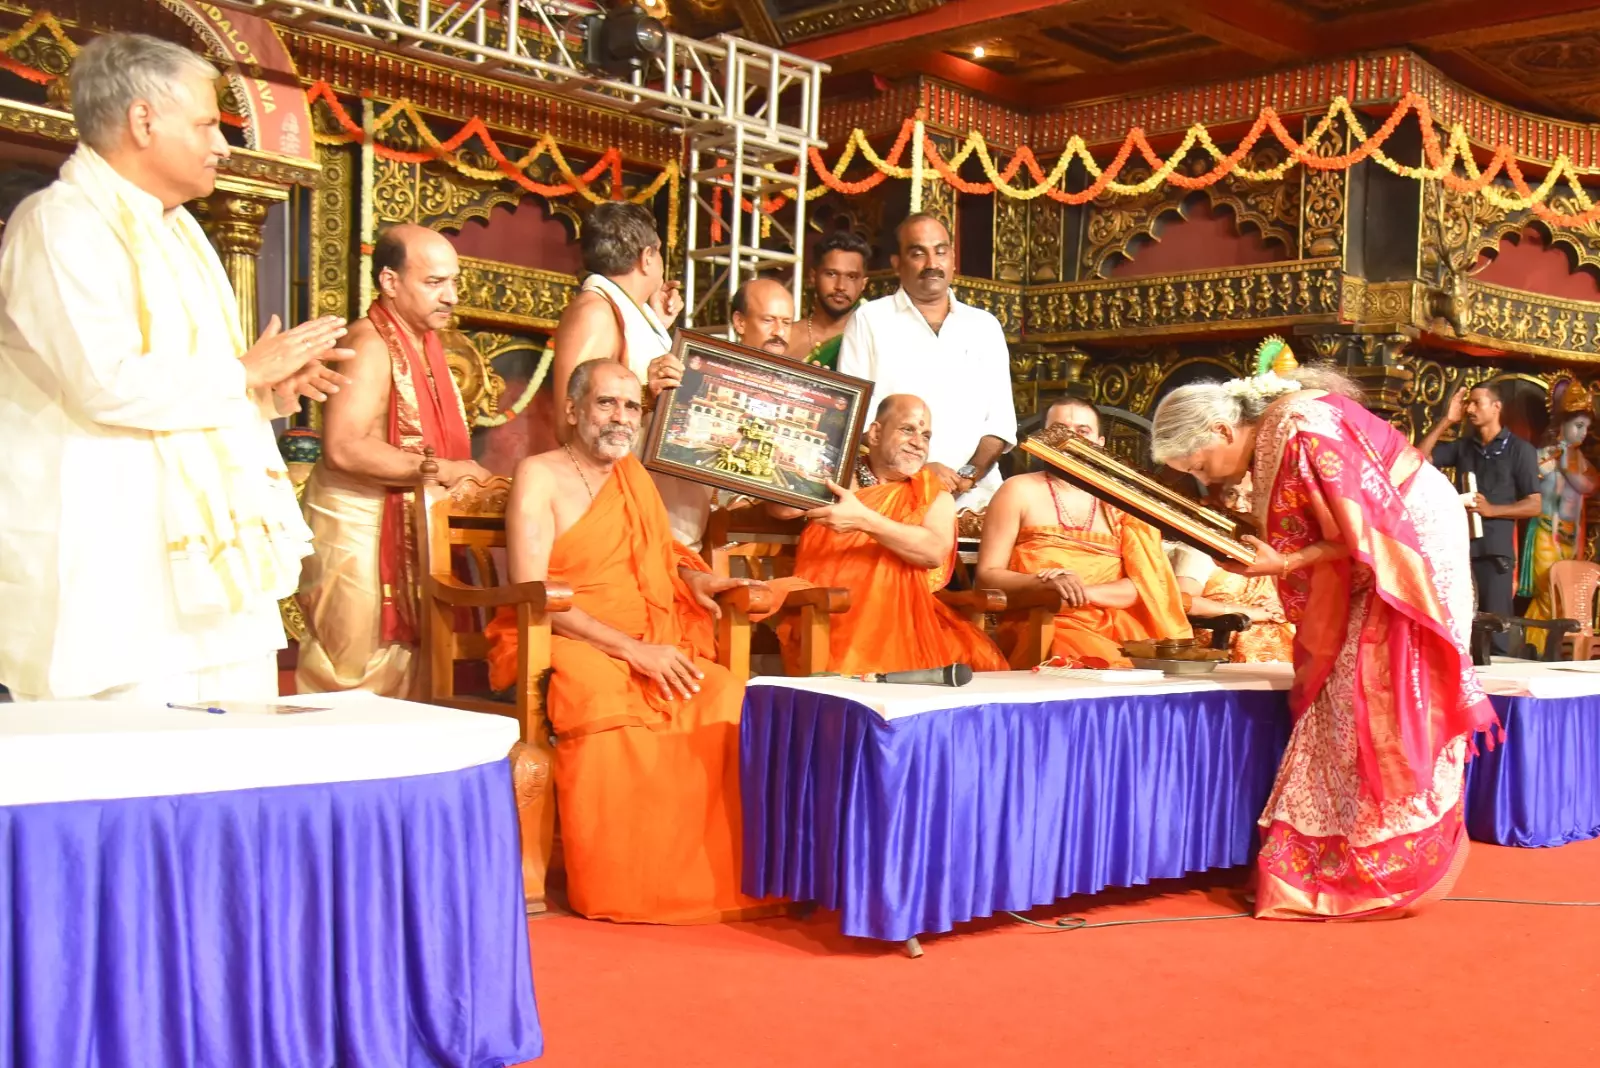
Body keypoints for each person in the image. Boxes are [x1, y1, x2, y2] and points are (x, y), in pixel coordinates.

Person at [0, 34, 349, 702]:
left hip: (202, 578)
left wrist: (265, 396)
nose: (223, 145)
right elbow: (105, 382)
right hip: (112, 564)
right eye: (208, 123)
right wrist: (242, 375)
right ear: (143, 120)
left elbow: (202, 384)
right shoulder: (60, 223)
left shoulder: (181, 234)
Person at [1151, 353, 1497, 920]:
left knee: (1380, 687)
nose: (1204, 477)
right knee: (1344, 689)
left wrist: (1284, 565)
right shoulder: (1278, 433)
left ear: (1221, 429)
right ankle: (1329, 853)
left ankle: (1374, 861)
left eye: (1199, 463)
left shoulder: (1302, 430)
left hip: (1408, 543)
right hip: (1383, 542)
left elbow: (1369, 529)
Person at [483, 360, 766, 924]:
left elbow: (661, 556)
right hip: (563, 634)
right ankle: (623, 885)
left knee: (726, 694)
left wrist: (696, 578)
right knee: (598, 694)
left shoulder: (632, 475)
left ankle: (710, 878)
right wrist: (631, 650)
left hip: (649, 635)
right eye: (606, 403)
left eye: (631, 406)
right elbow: (535, 592)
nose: (620, 418)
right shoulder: (538, 474)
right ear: (572, 410)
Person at [295, 224, 489, 697]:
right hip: (357, 523)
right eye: (434, 283)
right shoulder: (371, 344)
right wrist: (444, 470)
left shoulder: (424, 346)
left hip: (407, 521)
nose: (450, 296)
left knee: (415, 671)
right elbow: (343, 446)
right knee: (354, 671)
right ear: (389, 281)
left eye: (454, 282)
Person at [780, 394, 1008, 675]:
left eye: (926, 435)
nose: (918, 443)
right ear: (875, 433)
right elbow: (780, 509)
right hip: (828, 613)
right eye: (907, 429)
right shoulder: (836, 475)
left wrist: (865, 520)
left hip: (907, 619)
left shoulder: (931, 494)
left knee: (972, 667)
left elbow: (933, 551)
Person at [548, 201, 716, 549]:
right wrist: (647, 395)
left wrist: (656, 326)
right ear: (647, 257)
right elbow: (571, 422)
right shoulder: (596, 311)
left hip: (661, 525)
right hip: (621, 525)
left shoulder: (628, 313)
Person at [976, 398, 1191, 668]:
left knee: (1146, 662)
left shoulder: (1123, 503)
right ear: (1042, 438)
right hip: (1039, 621)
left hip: (1114, 624)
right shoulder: (1018, 490)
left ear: (1099, 443)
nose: (1070, 438)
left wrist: (1078, 592)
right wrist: (1044, 586)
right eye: (1059, 428)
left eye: (1082, 430)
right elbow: (987, 577)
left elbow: (1143, 586)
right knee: (1079, 656)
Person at [839, 213, 1016, 511]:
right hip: (892, 494)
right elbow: (857, 419)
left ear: (953, 259)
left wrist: (966, 476)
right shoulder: (870, 320)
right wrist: (918, 474)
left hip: (976, 497)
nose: (932, 262)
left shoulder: (984, 326)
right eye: (918, 252)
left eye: (941, 251)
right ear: (897, 263)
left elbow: (1000, 424)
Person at [1418, 381, 1540, 648]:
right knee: (1459, 624)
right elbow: (1418, 458)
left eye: (1476, 402)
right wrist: (1445, 421)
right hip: (1459, 549)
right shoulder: (1464, 447)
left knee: (1497, 629)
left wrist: (1492, 510)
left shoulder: (1520, 450)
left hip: (1494, 552)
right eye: (1467, 403)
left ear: (1496, 407)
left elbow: (1534, 504)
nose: (1470, 408)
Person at [1167, 477, 1295, 663]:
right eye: (1231, 494)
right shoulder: (1203, 549)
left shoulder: (1276, 549)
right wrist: (1249, 612)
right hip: (1222, 642)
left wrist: (1283, 606)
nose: (1240, 505)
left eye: (1251, 497)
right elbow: (1184, 601)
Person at [1517, 378, 1597, 648]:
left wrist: (1567, 465)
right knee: (1548, 594)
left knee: (1564, 596)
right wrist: (1555, 462)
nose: (1583, 433)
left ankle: (1545, 649)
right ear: (1561, 424)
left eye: (1586, 427)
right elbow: (1526, 483)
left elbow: (1588, 484)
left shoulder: (1580, 461)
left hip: (1570, 538)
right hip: (1545, 533)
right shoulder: (1542, 455)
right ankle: (1536, 649)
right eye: (1578, 425)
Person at [786, 229, 869, 370]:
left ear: (863, 284)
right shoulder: (786, 337)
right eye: (831, 274)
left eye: (851, 277)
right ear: (813, 277)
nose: (841, 286)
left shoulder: (870, 339)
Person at [730, 276, 795, 356]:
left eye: (786, 323)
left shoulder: (796, 367)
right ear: (739, 322)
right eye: (768, 320)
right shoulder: (715, 367)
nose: (780, 332)